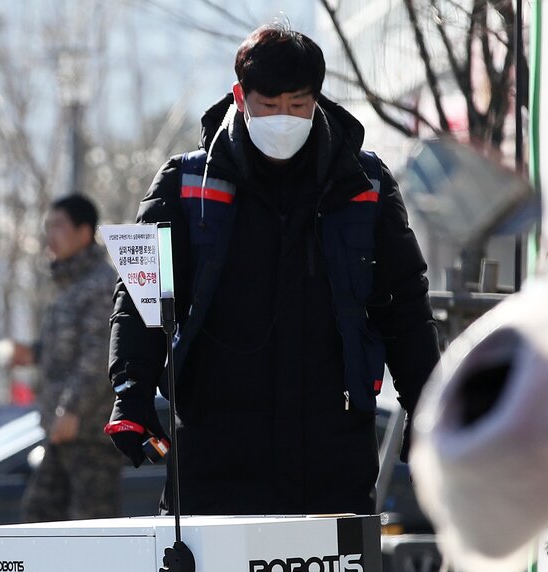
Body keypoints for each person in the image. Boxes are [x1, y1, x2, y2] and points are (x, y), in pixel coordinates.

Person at [106, 25, 440, 516]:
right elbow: (141, 298)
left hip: (333, 447)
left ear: (317, 100)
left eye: (298, 105)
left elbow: (404, 304)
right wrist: (130, 397)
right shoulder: (186, 184)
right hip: (217, 445)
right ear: (240, 96)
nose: (284, 118)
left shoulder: (362, 184)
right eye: (269, 105)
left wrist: (426, 407)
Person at [6, 194, 124, 522]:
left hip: (90, 437)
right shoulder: (70, 287)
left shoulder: (100, 285)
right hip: (62, 434)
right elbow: (65, 352)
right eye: (48, 226)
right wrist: (33, 353)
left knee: (92, 532)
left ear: (84, 232)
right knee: (39, 519)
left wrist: (71, 409)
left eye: (58, 226)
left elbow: (99, 357)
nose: (50, 235)